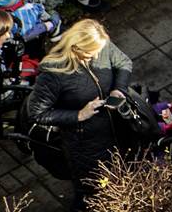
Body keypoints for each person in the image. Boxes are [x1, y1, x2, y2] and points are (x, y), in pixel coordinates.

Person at [26, 19, 134, 208]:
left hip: (116, 128)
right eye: (91, 53)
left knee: (121, 173)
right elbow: (36, 113)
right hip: (85, 144)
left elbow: (123, 62)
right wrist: (79, 115)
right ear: (76, 48)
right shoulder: (53, 73)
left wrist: (119, 89)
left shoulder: (101, 44)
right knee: (91, 189)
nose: (97, 55)